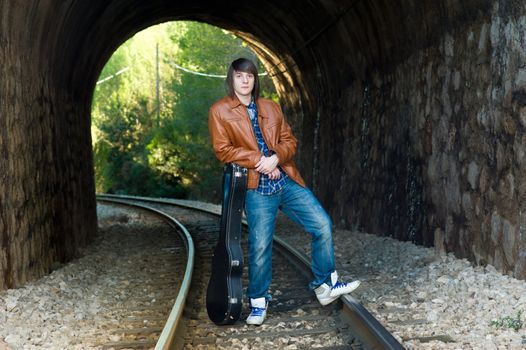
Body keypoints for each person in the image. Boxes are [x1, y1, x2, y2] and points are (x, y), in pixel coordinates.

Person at [208, 57, 360, 326]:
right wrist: (260, 162)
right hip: (256, 188)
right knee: (261, 246)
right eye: (239, 76)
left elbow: (289, 140)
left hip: (285, 181)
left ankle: (325, 286)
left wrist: (276, 158)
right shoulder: (220, 111)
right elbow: (223, 150)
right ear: (231, 80)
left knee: (322, 224)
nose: (245, 81)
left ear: (255, 79)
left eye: (250, 76)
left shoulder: (270, 107)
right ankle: (258, 302)